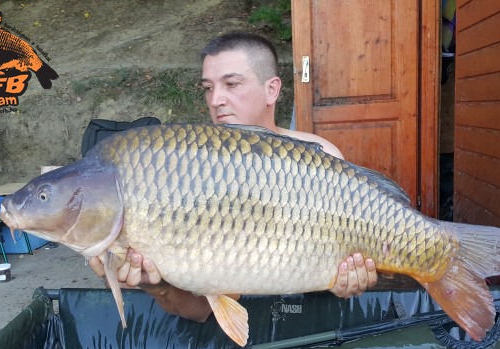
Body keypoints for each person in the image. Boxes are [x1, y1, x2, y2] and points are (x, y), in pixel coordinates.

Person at [89, 32, 379, 322]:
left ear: (272, 90)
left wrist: (346, 285)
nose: (215, 100)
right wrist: (157, 287)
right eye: (207, 88)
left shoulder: (323, 159)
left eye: (231, 84)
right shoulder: (191, 169)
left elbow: (348, 274)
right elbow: (200, 311)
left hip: (309, 326)